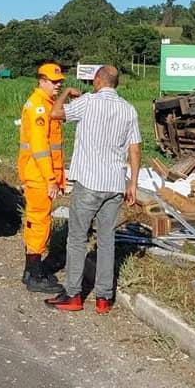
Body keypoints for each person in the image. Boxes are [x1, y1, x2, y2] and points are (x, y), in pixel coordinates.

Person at [44, 65, 142, 314]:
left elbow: (55, 114)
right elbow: (135, 148)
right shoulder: (128, 109)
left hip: (89, 182)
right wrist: (133, 183)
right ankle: (103, 299)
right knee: (107, 241)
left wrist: (66, 93)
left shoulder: (88, 102)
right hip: (114, 184)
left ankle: (73, 295)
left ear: (98, 80)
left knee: (77, 239)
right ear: (116, 83)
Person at [17, 62, 70, 293]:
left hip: (43, 175)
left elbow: (54, 147)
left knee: (37, 221)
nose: (58, 85)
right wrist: (50, 178)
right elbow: (40, 148)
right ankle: (34, 274)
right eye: (53, 81)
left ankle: (31, 270)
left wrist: (60, 177)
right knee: (39, 222)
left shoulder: (47, 104)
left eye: (60, 81)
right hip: (39, 176)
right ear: (41, 81)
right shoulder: (39, 107)